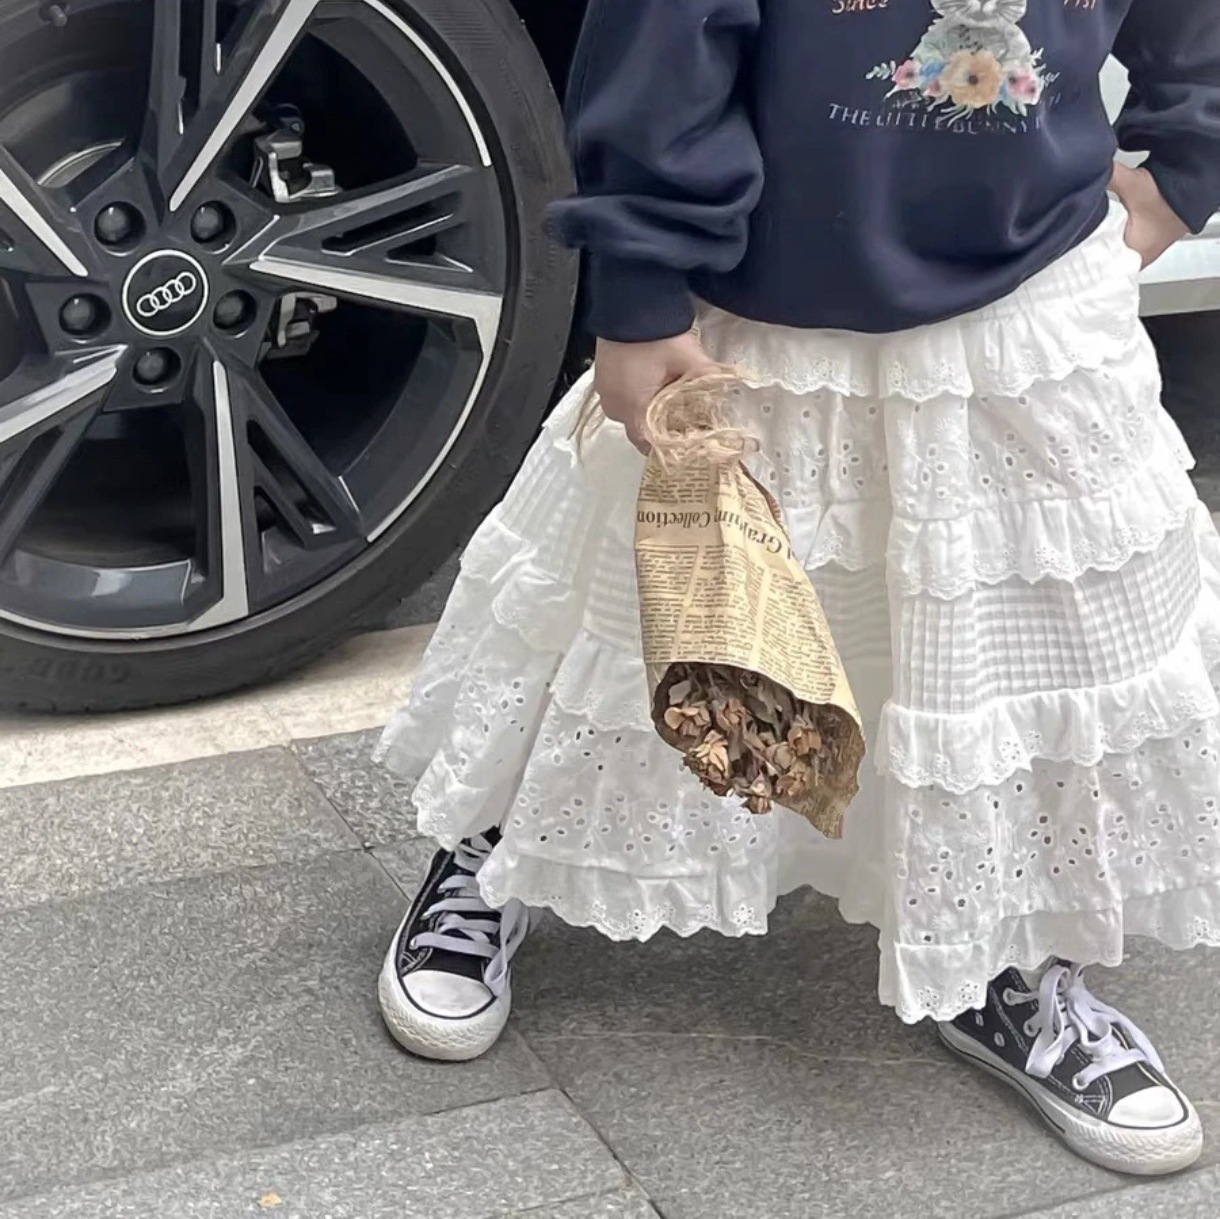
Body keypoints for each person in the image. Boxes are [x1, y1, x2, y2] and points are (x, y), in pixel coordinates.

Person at [375, 0, 1220, 1175]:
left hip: (1029, 289)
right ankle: (499, 845)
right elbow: (659, 41)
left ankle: (1005, 948)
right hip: (753, 300)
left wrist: (1187, 157)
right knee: (639, 613)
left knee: (1026, 639)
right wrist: (639, 286)